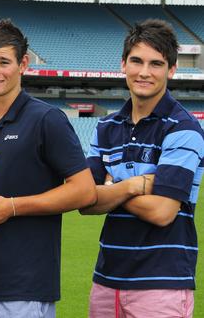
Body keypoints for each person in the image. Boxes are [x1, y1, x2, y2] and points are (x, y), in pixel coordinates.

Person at [0, 19, 97, 318]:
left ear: (23, 64)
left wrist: (10, 207)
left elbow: (85, 190)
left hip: (25, 288)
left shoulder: (46, 120)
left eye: (3, 62)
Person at [81, 19, 204, 318]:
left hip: (162, 284)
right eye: (136, 61)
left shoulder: (184, 128)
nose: (144, 72)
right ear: (123, 64)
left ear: (171, 70)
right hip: (107, 280)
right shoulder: (106, 126)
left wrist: (111, 187)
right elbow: (85, 201)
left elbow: (162, 212)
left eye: (156, 63)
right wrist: (133, 185)